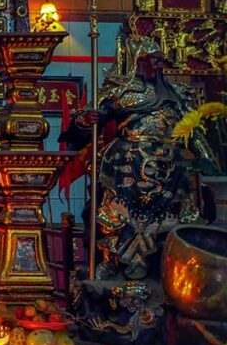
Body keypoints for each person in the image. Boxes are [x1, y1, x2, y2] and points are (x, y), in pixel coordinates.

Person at [59, 33, 211, 280]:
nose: (157, 65)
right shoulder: (120, 92)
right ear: (136, 61)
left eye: (160, 60)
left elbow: (192, 131)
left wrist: (206, 159)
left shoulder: (175, 94)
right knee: (115, 215)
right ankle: (112, 260)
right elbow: (82, 122)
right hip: (126, 164)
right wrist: (88, 120)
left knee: (176, 213)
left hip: (167, 168)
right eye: (151, 59)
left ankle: (168, 265)